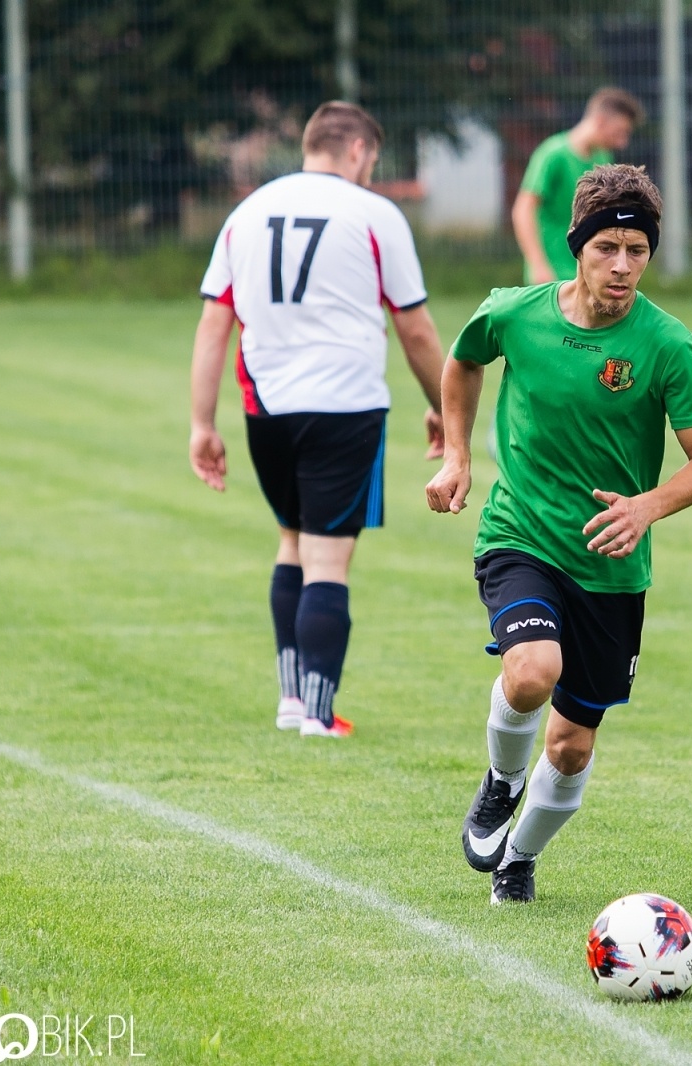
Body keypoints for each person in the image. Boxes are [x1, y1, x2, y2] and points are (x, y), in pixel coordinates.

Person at [427, 164, 692, 904]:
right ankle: (500, 781)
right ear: (577, 249)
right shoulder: (515, 313)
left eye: (636, 250)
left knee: (571, 746)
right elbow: (462, 362)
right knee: (532, 670)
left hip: (610, 568)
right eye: (606, 249)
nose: (622, 267)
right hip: (521, 532)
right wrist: (457, 454)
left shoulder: (668, 346)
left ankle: (520, 858)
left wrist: (645, 507)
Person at [189, 101, 447, 738]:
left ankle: (289, 700)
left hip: (265, 406)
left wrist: (202, 423)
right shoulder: (373, 214)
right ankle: (318, 714)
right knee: (328, 561)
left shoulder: (246, 213)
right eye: (373, 160)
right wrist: (445, 404)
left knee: (291, 542)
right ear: (358, 149)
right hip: (344, 406)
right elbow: (413, 328)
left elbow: (214, 322)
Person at [512, 87, 644, 285]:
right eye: (619, 132)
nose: (622, 143)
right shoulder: (553, 155)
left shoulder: (602, 158)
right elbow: (523, 210)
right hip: (552, 272)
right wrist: (538, 264)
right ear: (600, 121)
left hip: (587, 271)